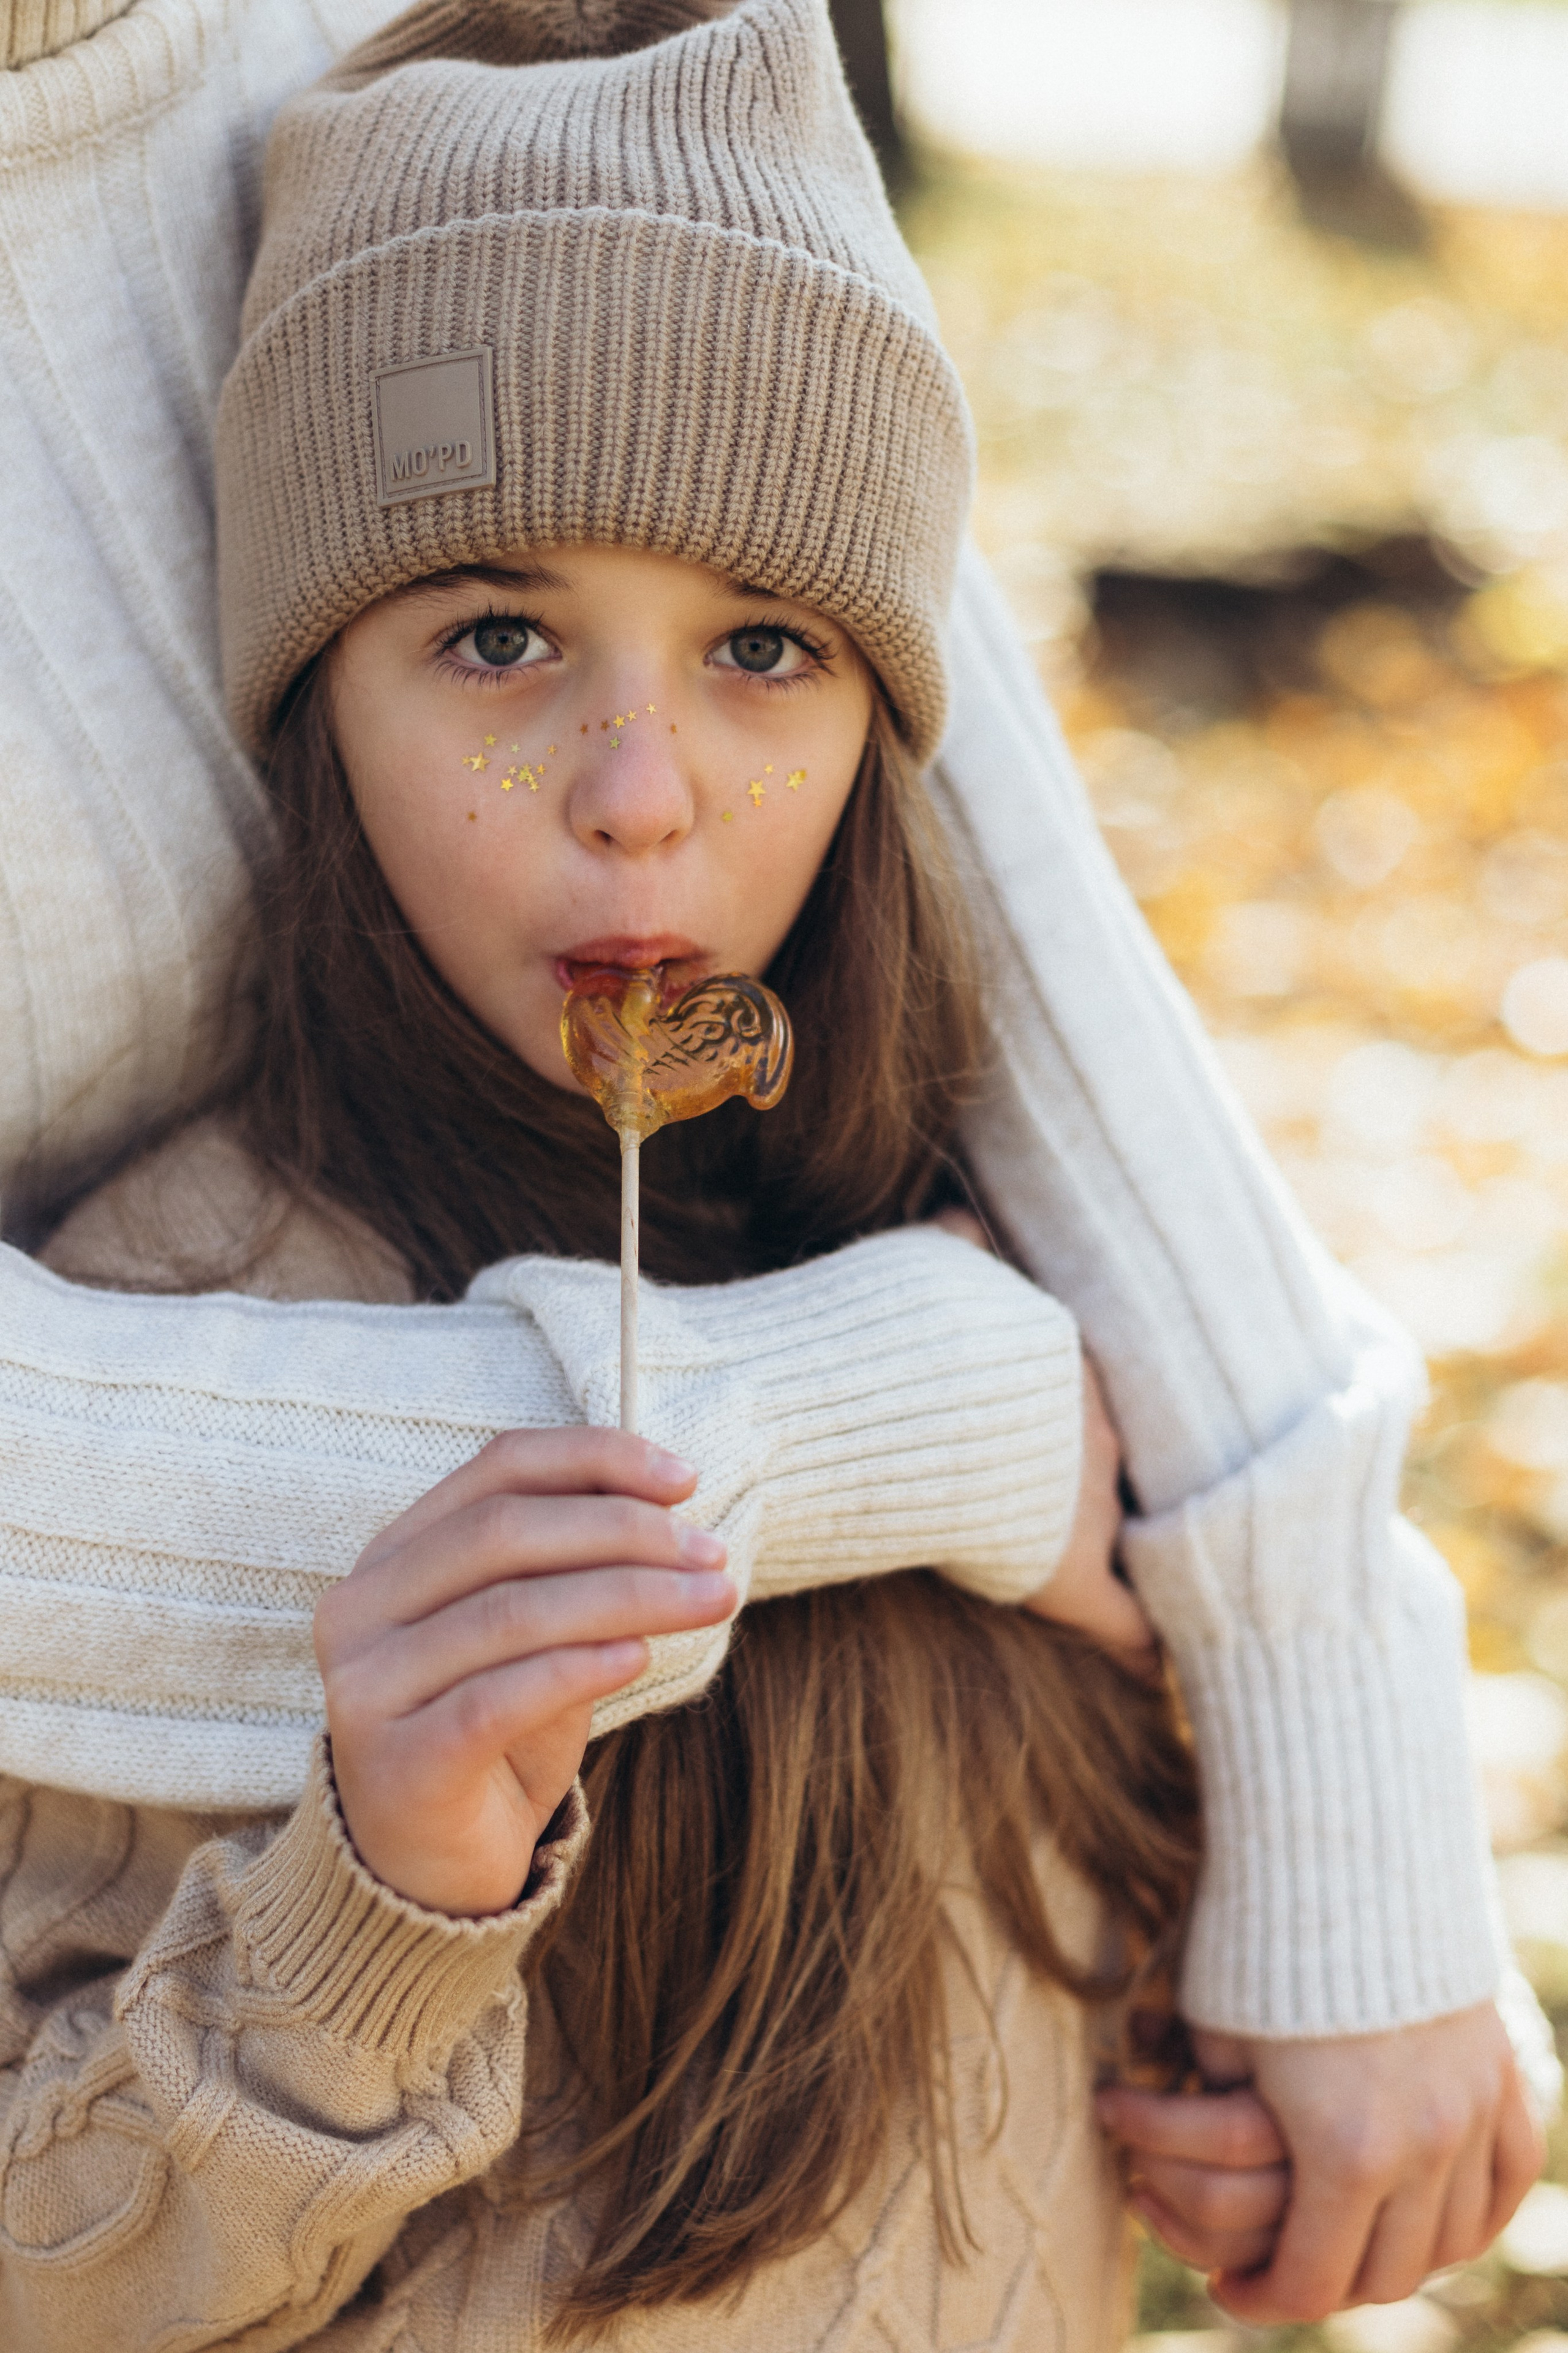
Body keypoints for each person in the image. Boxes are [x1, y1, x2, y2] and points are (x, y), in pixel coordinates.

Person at [0, 0, 1547, 2339]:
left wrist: (1208, 1959)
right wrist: (367, 1919)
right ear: (313, 695)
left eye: (765, 645)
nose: (640, 785)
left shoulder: (1015, 1280)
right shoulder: (193, 1287)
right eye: (495, 634)